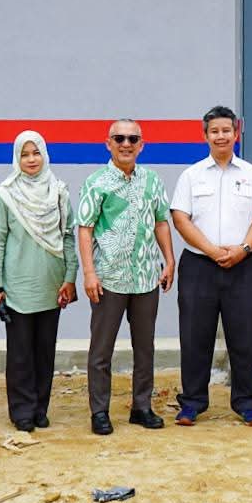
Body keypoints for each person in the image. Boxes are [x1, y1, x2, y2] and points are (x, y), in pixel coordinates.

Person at [170, 106, 252, 427]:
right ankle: (192, 403)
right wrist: (212, 250)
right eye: (214, 131)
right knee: (194, 336)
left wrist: (243, 249)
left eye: (226, 130)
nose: (221, 136)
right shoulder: (191, 175)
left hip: (243, 266)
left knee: (243, 337)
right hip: (199, 266)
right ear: (205, 136)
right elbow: (180, 218)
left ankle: (246, 403)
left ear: (236, 133)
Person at [78, 119, 175, 435]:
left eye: (133, 138)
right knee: (101, 350)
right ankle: (99, 411)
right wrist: (89, 273)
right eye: (119, 138)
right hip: (109, 278)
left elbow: (162, 222)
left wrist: (169, 260)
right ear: (108, 143)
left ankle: (141, 407)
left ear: (142, 144)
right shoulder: (97, 182)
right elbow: (85, 228)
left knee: (144, 347)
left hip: (146, 277)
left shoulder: (152, 181)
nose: (126, 143)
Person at [0, 130, 78, 433]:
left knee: (44, 350)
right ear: (17, 158)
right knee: (21, 353)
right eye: (24, 154)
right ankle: (22, 410)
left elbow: (67, 237)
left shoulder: (59, 192)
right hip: (17, 284)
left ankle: (40, 407)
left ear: (44, 154)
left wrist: (70, 278)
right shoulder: (6, 194)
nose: (31, 160)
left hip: (52, 283)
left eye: (36, 152)